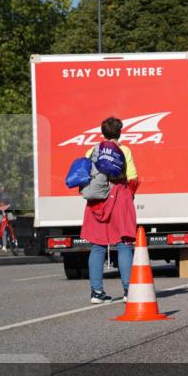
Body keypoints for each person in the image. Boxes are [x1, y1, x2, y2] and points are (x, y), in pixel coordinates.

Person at [81, 117, 138, 304]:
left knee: (97, 246)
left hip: (97, 200)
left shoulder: (91, 150)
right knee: (123, 243)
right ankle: (128, 290)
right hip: (119, 196)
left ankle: (96, 292)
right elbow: (132, 178)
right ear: (119, 132)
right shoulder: (125, 150)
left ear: (103, 132)